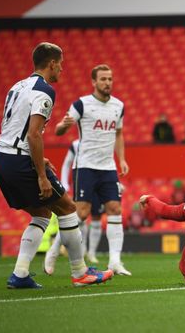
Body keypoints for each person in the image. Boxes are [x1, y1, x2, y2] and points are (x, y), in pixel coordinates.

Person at [0, 42, 113, 288]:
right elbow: (33, 134)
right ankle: (80, 273)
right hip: (19, 159)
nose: (62, 70)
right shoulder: (45, 91)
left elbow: (15, 127)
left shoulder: (17, 86)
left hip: (2, 157)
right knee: (68, 208)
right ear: (52, 63)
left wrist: (35, 158)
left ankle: (20, 274)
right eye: (61, 64)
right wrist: (41, 175)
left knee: (43, 213)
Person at [55, 64, 131, 276]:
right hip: (86, 166)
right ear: (94, 82)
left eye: (110, 79)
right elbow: (58, 130)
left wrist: (122, 159)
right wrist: (64, 125)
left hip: (108, 167)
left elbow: (119, 134)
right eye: (103, 79)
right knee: (81, 213)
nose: (108, 83)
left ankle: (115, 262)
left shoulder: (119, 106)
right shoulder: (81, 104)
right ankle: (54, 251)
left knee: (115, 209)